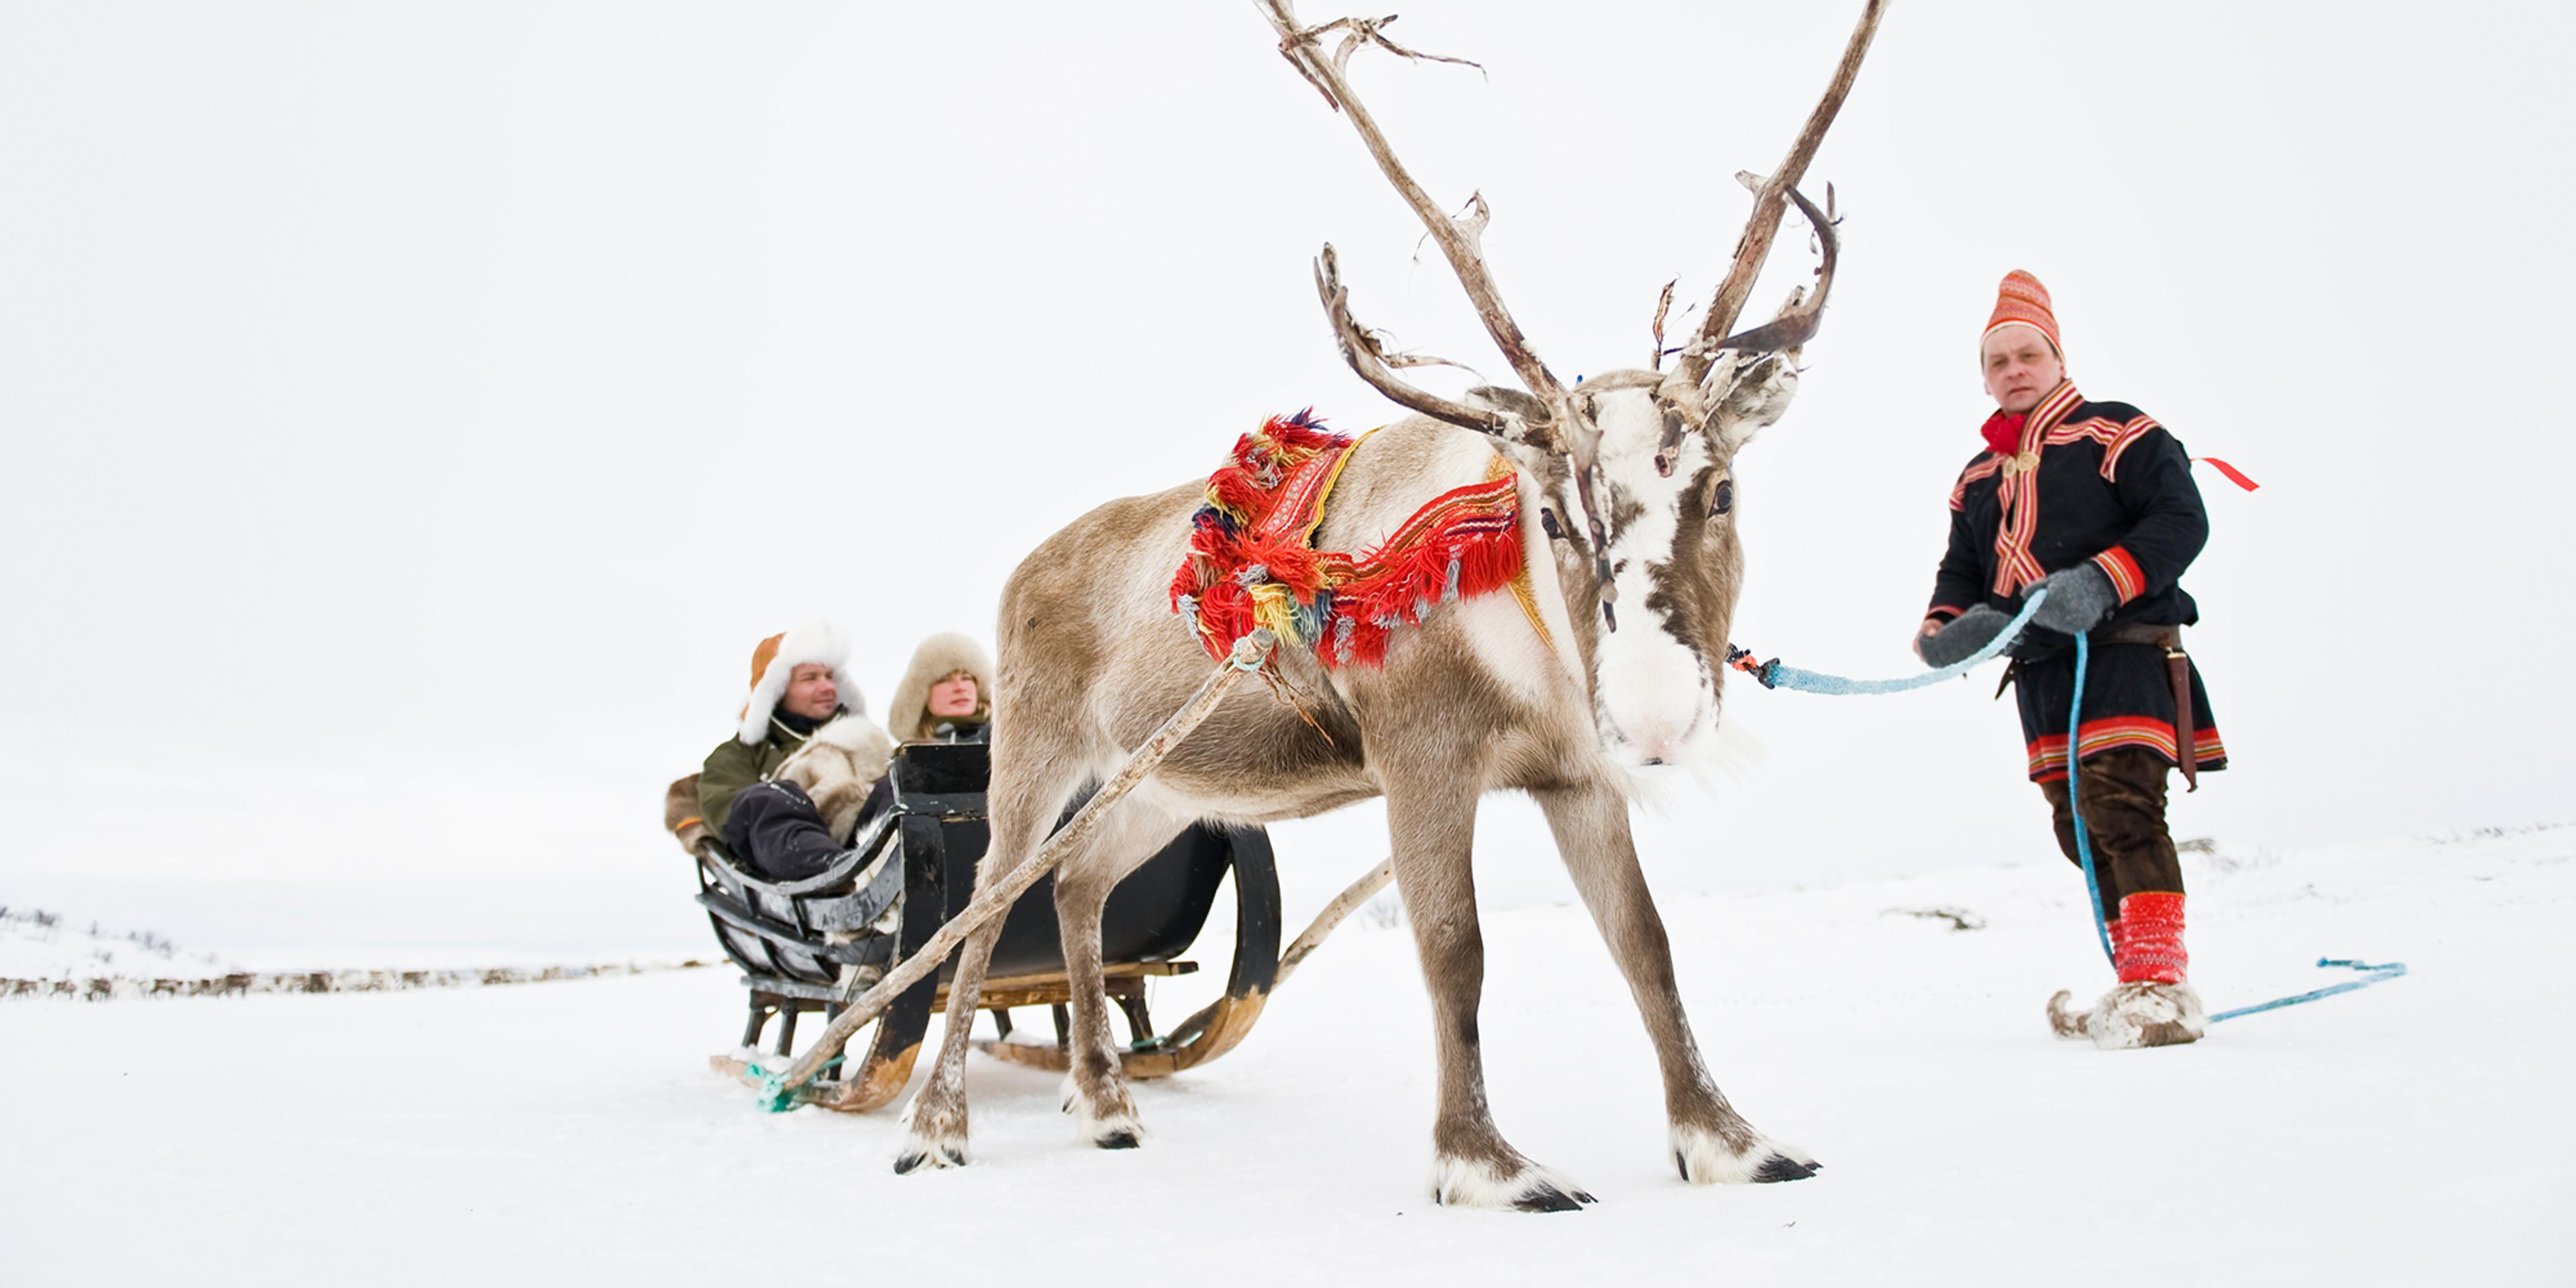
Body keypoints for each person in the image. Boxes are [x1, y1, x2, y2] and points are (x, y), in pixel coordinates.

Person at [1914, 270, 2226, 1051]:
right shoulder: (1977, 476)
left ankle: (2160, 985)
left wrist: (2100, 580)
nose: (2014, 370)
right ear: (1985, 378)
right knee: (2077, 826)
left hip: (2126, 650)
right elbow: (1960, 571)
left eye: (2028, 355)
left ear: (2058, 360)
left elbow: (2180, 518)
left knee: (2122, 805)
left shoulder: (2119, 432)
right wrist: (1945, 630)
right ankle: (2134, 983)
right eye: (1998, 361)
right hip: (2041, 673)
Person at [696, 621, 892, 882]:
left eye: (830, 677)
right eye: (810, 678)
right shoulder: (737, 756)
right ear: (776, 691)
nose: (828, 687)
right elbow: (729, 817)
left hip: (866, 840)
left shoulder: (864, 741)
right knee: (764, 799)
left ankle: (906, 865)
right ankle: (832, 870)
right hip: (796, 860)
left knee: (904, 782)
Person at [882, 632, 995, 745]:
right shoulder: (908, 754)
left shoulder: (1003, 746)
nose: (960, 687)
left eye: (966, 678)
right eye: (944, 680)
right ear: (923, 697)